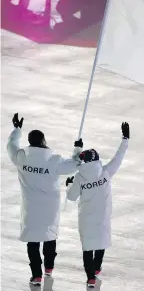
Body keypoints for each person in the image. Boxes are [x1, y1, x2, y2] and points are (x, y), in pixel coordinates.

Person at [6, 113, 83, 286]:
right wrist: (77, 149)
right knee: (49, 235)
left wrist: (16, 129)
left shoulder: (21, 158)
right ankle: (48, 267)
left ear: (30, 141)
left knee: (32, 241)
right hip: (50, 206)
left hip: (30, 206)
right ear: (43, 141)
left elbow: (11, 145)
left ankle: (36, 275)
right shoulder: (54, 161)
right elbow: (75, 165)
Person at [66, 122, 130, 288]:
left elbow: (71, 197)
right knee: (100, 242)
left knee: (87, 247)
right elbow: (119, 157)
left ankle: (90, 278)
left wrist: (69, 184)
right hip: (102, 216)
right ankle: (97, 268)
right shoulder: (106, 172)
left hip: (86, 218)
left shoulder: (79, 177)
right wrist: (125, 139)